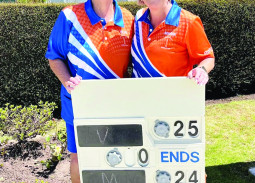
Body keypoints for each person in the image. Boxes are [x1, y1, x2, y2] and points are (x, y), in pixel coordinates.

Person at [45, 0, 134, 182]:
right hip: (79, 105)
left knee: (120, 157)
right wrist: (67, 80)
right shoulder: (69, 15)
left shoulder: (128, 18)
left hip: (117, 107)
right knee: (80, 159)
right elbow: (54, 57)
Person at [131, 0, 215, 182]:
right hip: (141, 108)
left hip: (175, 110)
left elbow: (208, 57)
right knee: (149, 166)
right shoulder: (137, 19)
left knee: (184, 166)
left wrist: (201, 70)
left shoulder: (188, 21)